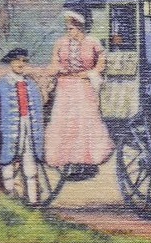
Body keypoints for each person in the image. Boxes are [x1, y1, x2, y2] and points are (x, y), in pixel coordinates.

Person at [45, 9, 114, 177]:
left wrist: (92, 72)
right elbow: (54, 62)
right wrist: (54, 70)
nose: (69, 32)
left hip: (83, 85)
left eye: (72, 28)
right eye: (67, 28)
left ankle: (87, 161)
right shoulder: (60, 43)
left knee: (84, 121)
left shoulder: (92, 42)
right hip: (65, 86)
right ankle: (68, 160)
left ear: (80, 28)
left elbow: (102, 60)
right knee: (65, 123)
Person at [0, 48, 45, 204]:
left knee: (30, 166)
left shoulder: (32, 85)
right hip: (9, 131)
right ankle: (10, 200)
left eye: (24, 61)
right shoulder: (1, 85)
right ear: (10, 62)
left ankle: (34, 202)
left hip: (30, 130)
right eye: (17, 60)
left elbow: (40, 107)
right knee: (8, 163)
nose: (21, 64)